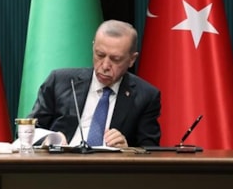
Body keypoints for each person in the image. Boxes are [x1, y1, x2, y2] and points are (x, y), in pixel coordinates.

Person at [29, 19, 161, 148]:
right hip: (61, 160)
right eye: (100, 55)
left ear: (132, 59)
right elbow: (29, 130)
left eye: (115, 59)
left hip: (110, 163)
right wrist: (48, 138)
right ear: (93, 47)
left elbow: (150, 150)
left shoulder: (146, 96)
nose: (105, 66)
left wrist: (128, 150)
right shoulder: (60, 81)